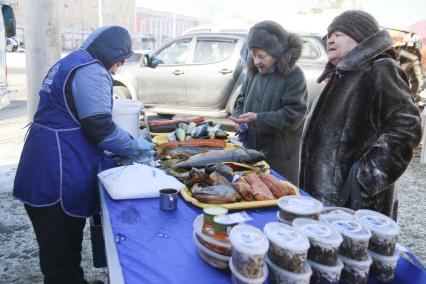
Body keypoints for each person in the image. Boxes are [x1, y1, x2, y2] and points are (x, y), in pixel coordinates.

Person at [13, 26, 153, 283]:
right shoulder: (91, 70)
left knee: (62, 251)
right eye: (119, 62)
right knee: (59, 260)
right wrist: (135, 146)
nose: (117, 69)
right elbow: (101, 129)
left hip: (44, 163)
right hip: (57, 174)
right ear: (110, 54)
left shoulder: (73, 61)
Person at [299, 10, 422, 219]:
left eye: (338, 34)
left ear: (361, 38)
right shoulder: (340, 75)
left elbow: (407, 127)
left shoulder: (381, 69)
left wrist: (364, 177)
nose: (330, 39)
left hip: (356, 208)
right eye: (329, 35)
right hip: (326, 203)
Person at [231, 20, 308, 185]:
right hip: (251, 151)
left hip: (280, 157)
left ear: (276, 53)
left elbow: (293, 115)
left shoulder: (294, 76)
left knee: (278, 194)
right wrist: (239, 117)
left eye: (261, 56)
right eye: (253, 55)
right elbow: (241, 100)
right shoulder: (252, 73)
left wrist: (258, 118)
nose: (256, 61)